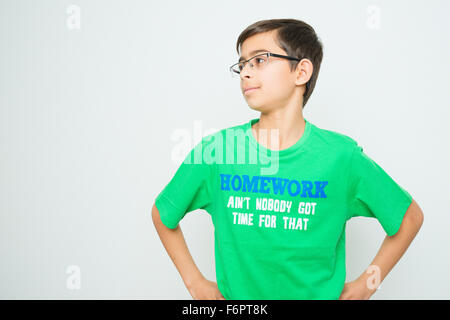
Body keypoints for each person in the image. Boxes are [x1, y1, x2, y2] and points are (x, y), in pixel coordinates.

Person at [152, 18, 424, 300]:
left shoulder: (341, 157)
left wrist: (366, 285)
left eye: (260, 60)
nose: (245, 72)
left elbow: (409, 217)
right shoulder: (218, 151)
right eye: (242, 64)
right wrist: (194, 282)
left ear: (301, 71)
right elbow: (163, 213)